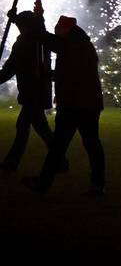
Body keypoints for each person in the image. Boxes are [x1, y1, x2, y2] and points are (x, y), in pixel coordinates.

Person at [21, 15, 105, 196]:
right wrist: (51, 74)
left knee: (66, 146)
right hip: (85, 104)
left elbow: (49, 40)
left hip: (77, 105)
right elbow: (71, 72)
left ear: (66, 29)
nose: (56, 32)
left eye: (58, 28)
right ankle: (96, 184)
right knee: (86, 145)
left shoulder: (72, 44)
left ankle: (44, 185)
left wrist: (34, 25)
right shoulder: (77, 43)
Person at [0, 10, 63, 173]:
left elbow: (10, 68)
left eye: (20, 25)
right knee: (41, 129)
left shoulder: (27, 42)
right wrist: (14, 19)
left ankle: (10, 164)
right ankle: (61, 161)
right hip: (36, 92)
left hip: (32, 93)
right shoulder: (39, 40)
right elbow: (37, 27)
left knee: (23, 128)